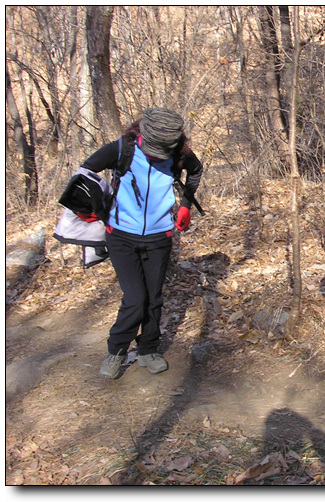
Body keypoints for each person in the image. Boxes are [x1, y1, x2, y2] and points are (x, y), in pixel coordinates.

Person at [79, 107, 203, 379]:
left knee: (154, 298)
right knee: (135, 298)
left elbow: (195, 171)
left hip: (160, 236)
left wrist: (185, 206)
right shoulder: (122, 149)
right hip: (121, 235)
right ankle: (117, 350)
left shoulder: (178, 153)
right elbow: (86, 170)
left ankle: (148, 349)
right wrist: (95, 207)